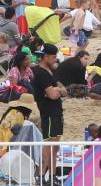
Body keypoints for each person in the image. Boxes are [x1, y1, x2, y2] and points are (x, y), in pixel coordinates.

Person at [31, 42, 65, 178]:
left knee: (54, 145)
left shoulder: (49, 71)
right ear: (46, 56)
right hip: (49, 111)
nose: (55, 60)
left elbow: (62, 90)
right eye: (53, 57)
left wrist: (57, 89)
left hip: (55, 111)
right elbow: (52, 95)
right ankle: (42, 174)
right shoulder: (41, 73)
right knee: (49, 143)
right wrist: (57, 90)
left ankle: (51, 174)